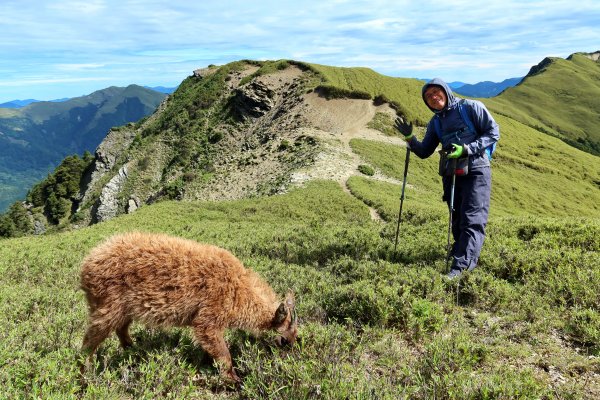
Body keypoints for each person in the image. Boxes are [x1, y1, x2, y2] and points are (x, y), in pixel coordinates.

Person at [395, 78, 500, 279]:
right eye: (428, 97)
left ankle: (460, 268)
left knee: (472, 219)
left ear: (445, 91)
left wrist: (467, 149)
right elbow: (425, 151)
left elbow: (493, 132)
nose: (434, 98)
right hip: (451, 173)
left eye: (436, 92)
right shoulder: (435, 123)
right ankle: (462, 254)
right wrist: (410, 138)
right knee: (458, 218)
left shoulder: (471, 107)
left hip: (477, 170)